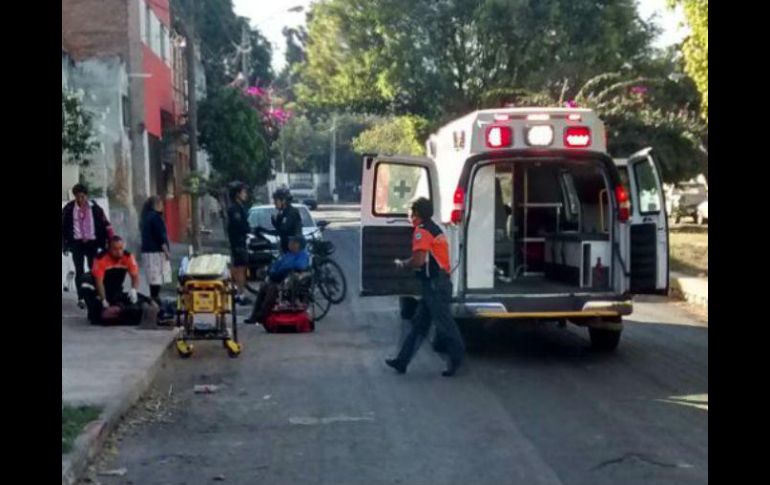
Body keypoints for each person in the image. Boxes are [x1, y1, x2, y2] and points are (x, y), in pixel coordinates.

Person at [386, 197, 465, 377]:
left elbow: (419, 260)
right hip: (438, 283)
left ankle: (457, 357)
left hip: (435, 284)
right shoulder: (434, 228)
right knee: (419, 325)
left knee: (444, 324)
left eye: (412, 213)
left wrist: (403, 264)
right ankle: (402, 361)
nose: (410, 216)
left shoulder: (421, 232)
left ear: (418, 214)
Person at [62, 184, 114, 308]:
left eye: (83, 197)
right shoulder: (69, 209)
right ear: (74, 196)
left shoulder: (95, 208)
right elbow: (63, 227)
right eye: (77, 197)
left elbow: (106, 224)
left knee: (94, 269)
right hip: (77, 243)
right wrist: (64, 245)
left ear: (86, 196)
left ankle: (95, 294)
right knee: (79, 270)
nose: (80, 200)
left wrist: (111, 240)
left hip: (92, 243)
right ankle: (81, 297)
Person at [83, 236, 152, 325]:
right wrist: (103, 300)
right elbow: (99, 282)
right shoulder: (100, 259)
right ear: (109, 249)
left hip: (115, 290)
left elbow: (135, 276)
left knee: (139, 301)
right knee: (86, 286)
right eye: (115, 249)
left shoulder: (128, 257)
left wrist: (134, 290)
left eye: (121, 248)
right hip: (98, 289)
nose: (119, 252)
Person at [244, 235, 310, 325]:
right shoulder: (287, 255)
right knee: (263, 287)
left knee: (272, 289)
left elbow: (300, 266)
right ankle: (254, 315)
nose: (289, 244)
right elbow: (276, 265)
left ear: (297, 244)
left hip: (290, 280)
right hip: (278, 277)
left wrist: (285, 268)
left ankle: (263, 314)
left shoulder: (303, 255)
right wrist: (272, 271)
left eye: (291, 242)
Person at [140, 196, 171, 305]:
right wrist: (166, 251)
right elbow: (160, 236)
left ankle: (153, 299)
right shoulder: (156, 217)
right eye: (161, 204)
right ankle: (155, 300)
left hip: (147, 252)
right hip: (156, 253)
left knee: (153, 280)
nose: (162, 206)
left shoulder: (145, 217)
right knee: (157, 279)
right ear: (157, 204)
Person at [227, 182, 252, 305]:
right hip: (238, 242)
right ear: (237, 194)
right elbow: (239, 226)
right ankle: (240, 294)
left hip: (240, 241)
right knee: (240, 269)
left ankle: (238, 292)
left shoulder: (239, 207)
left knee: (240, 268)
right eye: (243, 192)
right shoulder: (235, 209)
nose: (245, 194)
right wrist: (248, 229)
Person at [269, 187, 303, 253]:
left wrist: (264, 230)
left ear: (283, 200)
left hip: (293, 251)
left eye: (276, 200)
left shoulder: (291, 213)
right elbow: (280, 230)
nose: (274, 203)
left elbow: (282, 230)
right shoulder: (283, 213)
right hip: (286, 249)